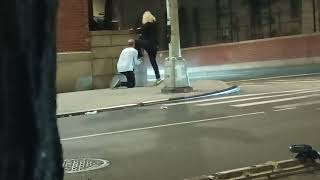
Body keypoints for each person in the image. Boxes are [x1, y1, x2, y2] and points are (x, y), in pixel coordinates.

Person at [135, 11, 163, 86]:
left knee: (136, 42)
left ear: (145, 18)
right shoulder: (155, 24)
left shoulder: (147, 25)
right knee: (153, 62)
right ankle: (158, 78)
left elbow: (140, 31)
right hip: (155, 46)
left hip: (149, 44)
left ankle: (140, 57)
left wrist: (137, 31)